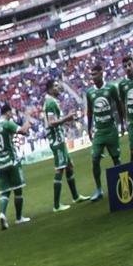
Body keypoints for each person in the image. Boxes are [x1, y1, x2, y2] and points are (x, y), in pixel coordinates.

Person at [43, 79, 91, 212]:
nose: (58, 89)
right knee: (60, 169)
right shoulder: (50, 103)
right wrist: (67, 118)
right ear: (50, 89)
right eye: (56, 87)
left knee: (69, 166)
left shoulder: (51, 101)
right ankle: (56, 205)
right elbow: (52, 122)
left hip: (59, 138)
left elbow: (54, 122)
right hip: (56, 140)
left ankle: (76, 196)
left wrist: (67, 121)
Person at [0, 104, 30, 229]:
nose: (12, 115)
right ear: (8, 113)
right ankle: (19, 218)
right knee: (18, 189)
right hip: (11, 160)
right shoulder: (8, 124)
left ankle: (2, 214)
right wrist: (28, 121)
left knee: (4, 192)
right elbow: (23, 131)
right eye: (11, 113)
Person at [85, 63, 124, 201]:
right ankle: (99, 189)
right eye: (91, 75)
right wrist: (89, 128)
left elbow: (119, 105)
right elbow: (89, 111)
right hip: (99, 132)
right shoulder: (89, 92)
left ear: (101, 73)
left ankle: (122, 184)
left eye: (94, 74)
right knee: (95, 158)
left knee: (116, 159)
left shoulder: (111, 88)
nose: (92, 77)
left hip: (111, 129)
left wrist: (122, 123)